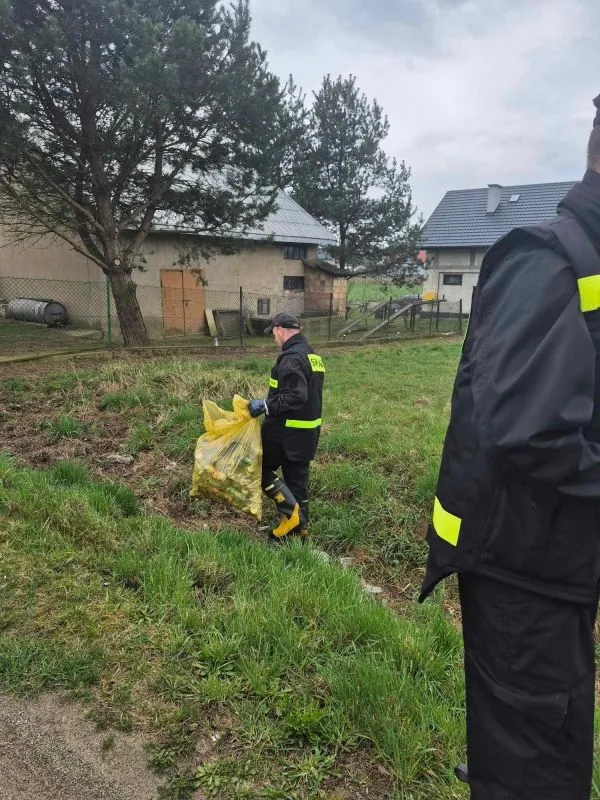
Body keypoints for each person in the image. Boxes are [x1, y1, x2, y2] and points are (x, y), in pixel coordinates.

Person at [420, 95, 600, 800]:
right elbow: (528, 429)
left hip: (561, 567)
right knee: (536, 772)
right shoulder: (548, 260)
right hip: (523, 574)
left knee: (550, 752)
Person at [248, 312, 325, 542]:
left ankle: (290, 516)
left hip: (284, 433)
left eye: (273, 333)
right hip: (307, 433)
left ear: (280, 330)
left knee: (258, 469)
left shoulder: (291, 358)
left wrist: (266, 405)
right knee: (297, 482)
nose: (274, 338)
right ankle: (299, 534)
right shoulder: (312, 356)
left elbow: (296, 395)